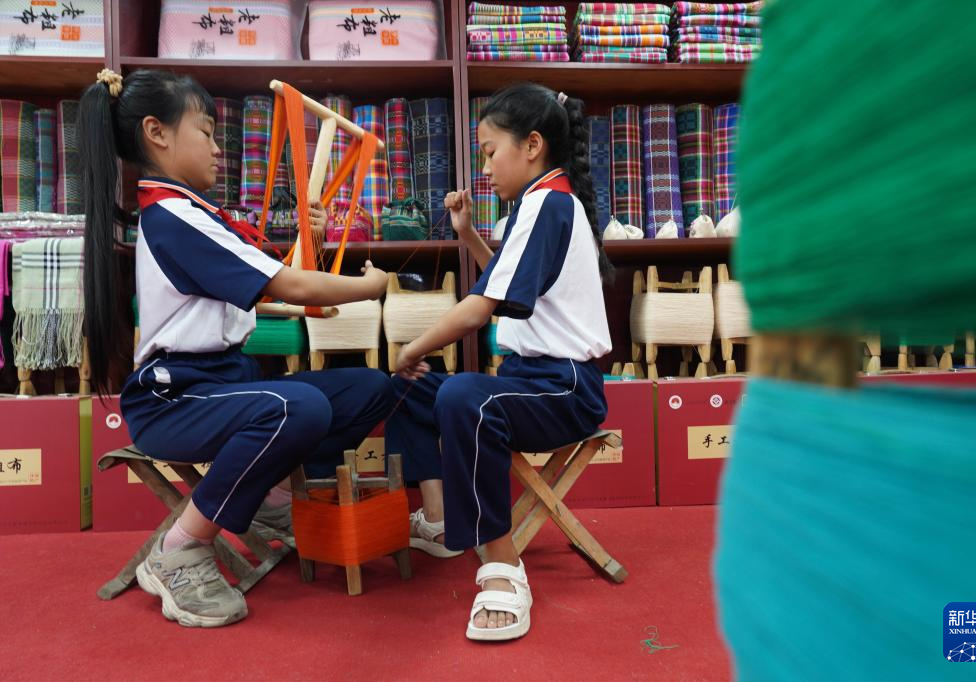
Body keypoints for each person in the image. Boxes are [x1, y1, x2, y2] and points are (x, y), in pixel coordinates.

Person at [80, 69, 394, 627]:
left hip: (227, 382)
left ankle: (272, 498)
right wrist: (370, 287)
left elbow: (272, 281)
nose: (218, 149)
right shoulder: (173, 216)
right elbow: (289, 285)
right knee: (298, 407)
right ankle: (177, 550)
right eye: (206, 132)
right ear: (156, 132)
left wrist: (313, 240)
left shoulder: (197, 214)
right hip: (174, 399)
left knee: (371, 388)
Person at [385, 83, 614, 641]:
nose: (484, 168)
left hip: (565, 388)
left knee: (461, 395)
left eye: (490, 152)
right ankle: (439, 519)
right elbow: (508, 283)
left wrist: (412, 347)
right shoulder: (539, 203)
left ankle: (504, 569)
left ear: (532, 145)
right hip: (530, 380)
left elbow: (480, 306)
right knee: (411, 388)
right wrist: (467, 235)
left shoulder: (548, 203)